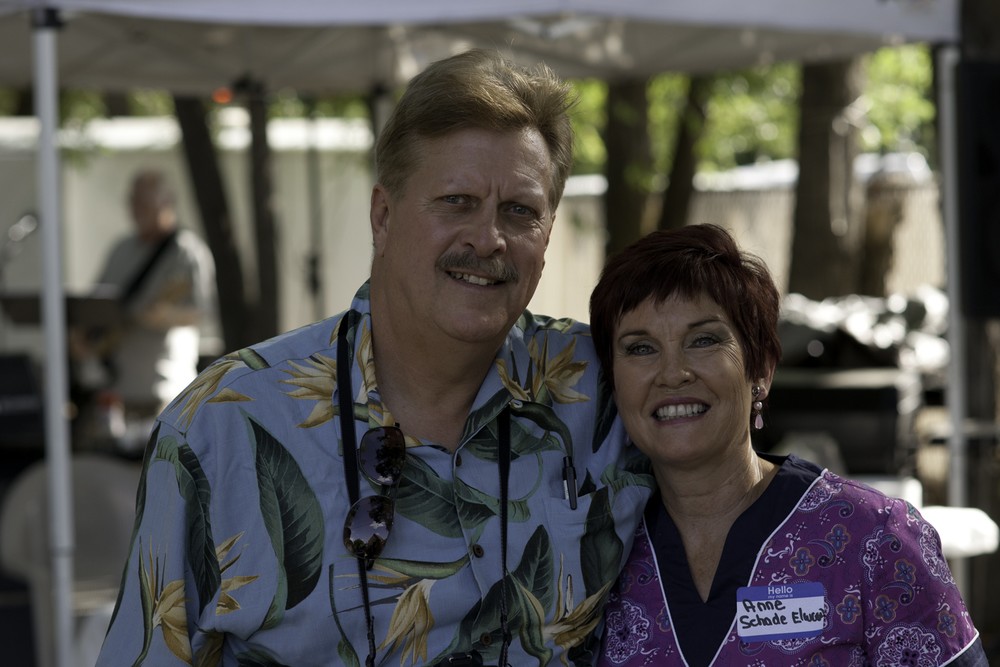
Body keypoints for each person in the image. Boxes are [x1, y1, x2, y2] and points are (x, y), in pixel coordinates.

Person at [96, 50, 653, 667]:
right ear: (382, 217)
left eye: (519, 211)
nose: (488, 238)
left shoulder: (613, 385)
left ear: (547, 235)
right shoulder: (223, 425)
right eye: (457, 201)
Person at [589, 224, 988, 666]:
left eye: (703, 340)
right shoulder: (592, 551)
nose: (672, 373)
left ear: (760, 369)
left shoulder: (877, 539)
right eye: (640, 348)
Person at [70, 168, 217, 454]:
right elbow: (98, 303)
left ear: (167, 203)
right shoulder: (121, 249)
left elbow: (203, 312)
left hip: (163, 391)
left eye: (144, 202)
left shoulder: (187, 252)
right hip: (114, 391)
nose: (136, 210)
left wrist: (166, 317)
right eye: (132, 201)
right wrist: (82, 336)